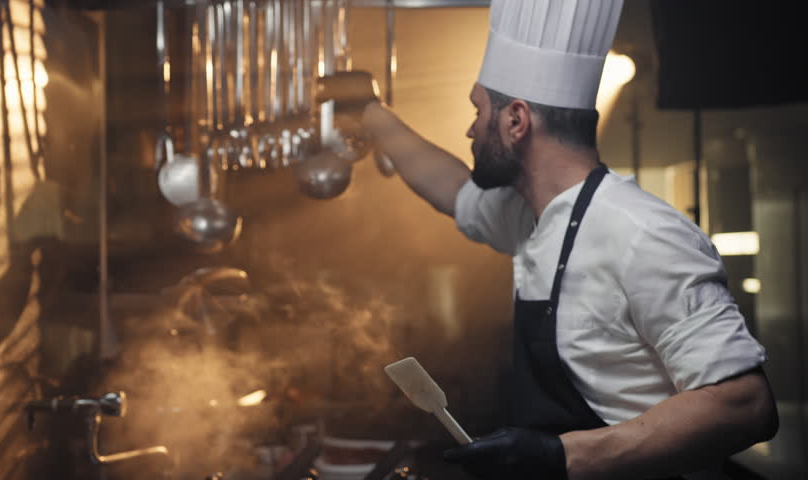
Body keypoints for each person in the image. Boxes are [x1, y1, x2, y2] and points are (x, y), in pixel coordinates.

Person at [320, 0, 778, 479]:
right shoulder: (533, 218)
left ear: (516, 121)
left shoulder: (641, 231)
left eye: (479, 110)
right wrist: (372, 115)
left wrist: (560, 456)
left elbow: (744, 404)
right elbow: (453, 189)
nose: (470, 129)